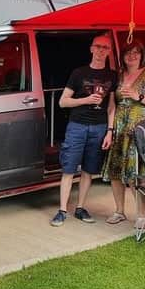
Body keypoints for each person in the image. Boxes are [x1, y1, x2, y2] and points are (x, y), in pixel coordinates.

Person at [50, 34, 117, 227]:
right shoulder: (79, 73)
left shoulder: (112, 76)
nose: (101, 50)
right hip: (77, 126)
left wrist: (110, 131)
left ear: (109, 51)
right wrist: (86, 100)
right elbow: (63, 102)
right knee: (69, 169)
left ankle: (80, 208)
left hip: (99, 127)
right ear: (91, 49)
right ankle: (62, 211)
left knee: (89, 170)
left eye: (105, 47)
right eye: (98, 47)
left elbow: (112, 106)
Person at [102, 39, 145, 229]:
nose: (132, 56)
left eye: (136, 52)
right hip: (120, 128)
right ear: (122, 56)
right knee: (115, 171)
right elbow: (112, 106)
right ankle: (119, 211)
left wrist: (138, 96)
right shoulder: (118, 76)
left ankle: (141, 215)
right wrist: (110, 130)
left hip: (140, 130)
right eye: (128, 52)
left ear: (141, 55)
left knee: (136, 174)